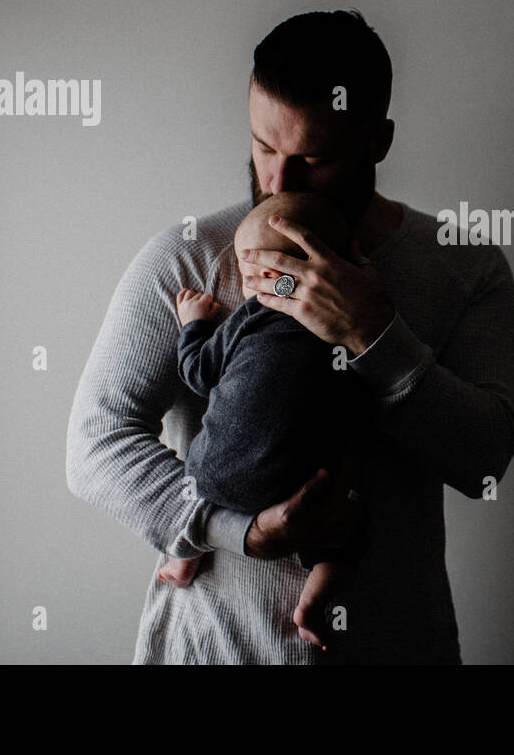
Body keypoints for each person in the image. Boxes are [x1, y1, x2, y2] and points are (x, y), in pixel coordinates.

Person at [66, 8, 514, 663]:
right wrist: (243, 532)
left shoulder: (463, 268)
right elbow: (94, 444)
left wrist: (372, 333)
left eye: (315, 159)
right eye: (264, 147)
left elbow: (484, 464)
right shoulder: (188, 259)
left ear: (379, 140)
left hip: (393, 646)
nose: (278, 183)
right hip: (214, 647)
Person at [158, 191, 374, 649]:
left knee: (197, 496)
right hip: (305, 485)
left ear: (275, 278)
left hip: (217, 471)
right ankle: (318, 594)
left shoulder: (253, 315)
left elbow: (198, 373)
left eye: (253, 271)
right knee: (347, 522)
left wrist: (195, 324)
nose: (246, 282)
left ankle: (183, 555)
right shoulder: (348, 324)